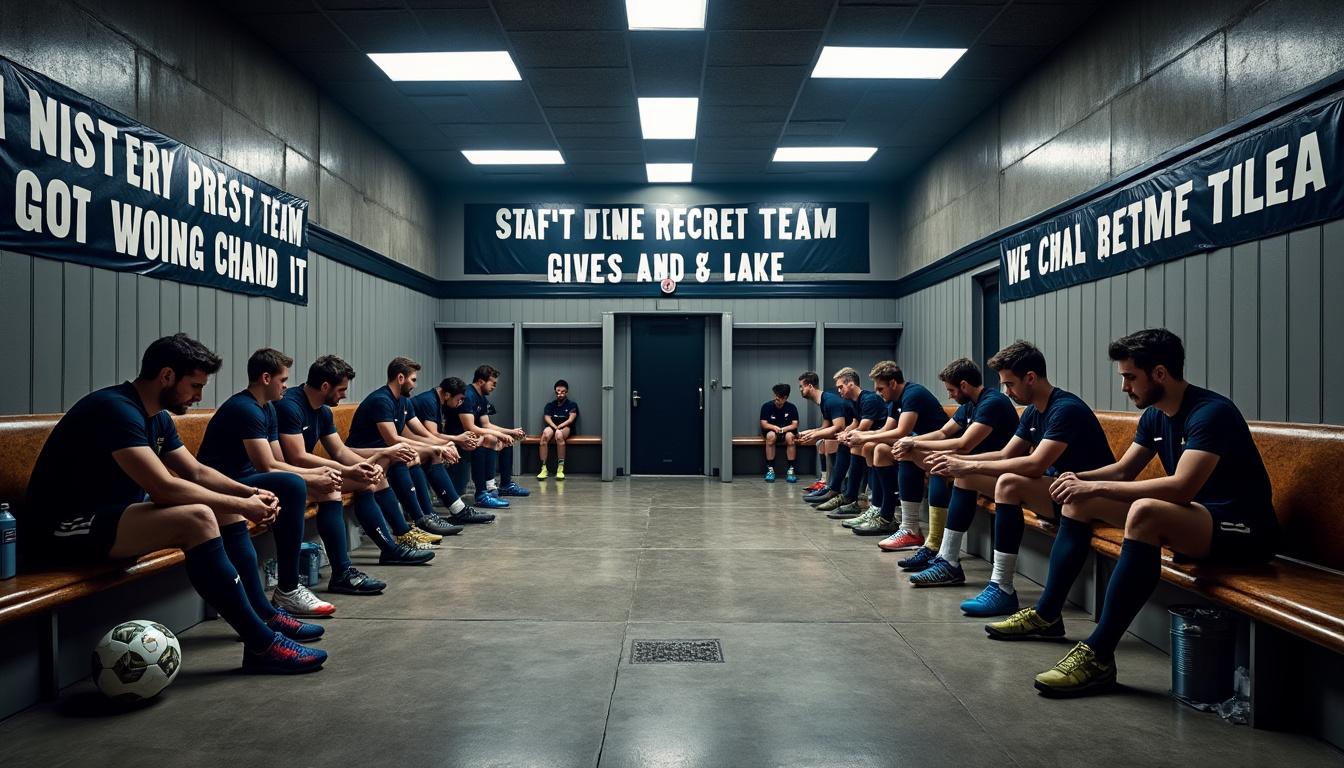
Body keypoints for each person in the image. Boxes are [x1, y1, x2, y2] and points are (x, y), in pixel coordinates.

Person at [986, 329, 1279, 697]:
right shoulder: (1156, 416)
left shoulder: (1211, 413)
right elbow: (1124, 470)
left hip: (1243, 528)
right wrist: (1077, 479)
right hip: (1196, 518)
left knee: (1144, 512)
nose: (1124, 387)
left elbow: (1181, 488)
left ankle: (1099, 653)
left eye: (1129, 377)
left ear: (1159, 374)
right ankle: (1047, 615)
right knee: (1078, 500)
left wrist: (1094, 486)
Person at [22, 334, 325, 673]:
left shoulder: (158, 416)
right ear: (166, 376)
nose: (199, 396)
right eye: (194, 385)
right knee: (196, 518)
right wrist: (244, 503)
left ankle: (263, 615)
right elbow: (164, 488)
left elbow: (194, 470)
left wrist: (245, 495)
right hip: (61, 529)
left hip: (110, 519)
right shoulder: (115, 410)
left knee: (221, 509)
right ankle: (261, 644)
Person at [914, 340, 1114, 620]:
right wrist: (961, 465)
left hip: (1090, 498)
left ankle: (1002, 587)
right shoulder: (1033, 411)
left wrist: (964, 462)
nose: (1007, 392)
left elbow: (1034, 464)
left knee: (1009, 483)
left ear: (1030, 378)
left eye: (1010, 384)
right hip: (1058, 490)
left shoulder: (1065, 408)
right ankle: (948, 560)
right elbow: (1006, 453)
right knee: (966, 477)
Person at [196, 348, 337, 618]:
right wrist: (311, 477)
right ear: (265, 378)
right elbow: (267, 466)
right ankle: (287, 588)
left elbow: (276, 462)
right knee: (294, 485)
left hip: (246, 479)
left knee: (293, 484)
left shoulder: (268, 408)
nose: (286, 386)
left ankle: (285, 589)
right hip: (224, 483)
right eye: (282, 380)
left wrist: (315, 475)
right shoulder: (244, 408)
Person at [274, 354, 434, 587]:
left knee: (370, 479)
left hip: (306, 473)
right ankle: (341, 572)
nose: (344, 395)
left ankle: (391, 548)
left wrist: (361, 467)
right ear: (325, 386)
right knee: (331, 488)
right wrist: (348, 471)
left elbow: (339, 450)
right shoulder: (291, 406)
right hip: (292, 476)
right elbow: (297, 457)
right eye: (341, 390)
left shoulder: (324, 411)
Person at [890, 358, 1018, 571]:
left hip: (999, 468)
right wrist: (912, 443)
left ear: (964, 385)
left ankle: (938, 548)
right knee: (922, 457)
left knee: (946, 467)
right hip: (978, 463)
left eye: (951, 390)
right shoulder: (969, 405)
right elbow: (943, 433)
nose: (949, 395)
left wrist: (913, 440)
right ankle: (927, 540)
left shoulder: (992, 402)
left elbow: (964, 444)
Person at [345, 357, 463, 545]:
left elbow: (421, 432)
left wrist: (444, 444)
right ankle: (419, 521)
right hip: (359, 453)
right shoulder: (381, 400)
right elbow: (392, 439)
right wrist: (436, 446)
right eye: (413, 380)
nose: (415, 385)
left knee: (413, 456)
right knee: (400, 457)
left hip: (384, 452)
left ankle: (426, 517)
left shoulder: (404, 402)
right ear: (401, 378)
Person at [842, 363, 947, 542]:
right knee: (879, 449)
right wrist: (862, 435)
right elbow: (886, 430)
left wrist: (865, 437)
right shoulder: (893, 400)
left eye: (880, 388)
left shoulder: (913, 394)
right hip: (917, 444)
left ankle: (910, 527)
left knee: (899, 450)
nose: (878, 392)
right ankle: (883, 513)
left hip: (937, 445)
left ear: (892, 383)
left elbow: (902, 432)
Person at [406, 378, 496, 524]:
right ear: (447, 395)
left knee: (436, 452)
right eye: (459, 399)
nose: (460, 403)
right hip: (406, 446)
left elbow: (426, 435)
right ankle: (435, 515)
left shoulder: (436, 400)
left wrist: (449, 442)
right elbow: (431, 434)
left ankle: (456, 509)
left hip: (413, 443)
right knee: (434, 454)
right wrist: (454, 440)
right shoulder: (429, 401)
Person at [815, 367, 888, 515]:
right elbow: (855, 423)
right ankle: (838, 490)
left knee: (854, 445)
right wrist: (845, 433)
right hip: (869, 438)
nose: (839, 391)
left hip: (880, 437)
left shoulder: (869, 399)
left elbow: (864, 426)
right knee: (845, 443)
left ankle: (850, 496)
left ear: (851, 384)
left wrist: (847, 435)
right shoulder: (853, 401)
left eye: (841, 387)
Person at [458, 365, 529, 507]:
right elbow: (469, 427)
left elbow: (486, 425)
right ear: (480, 381)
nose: (495, 387)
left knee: (505, 440)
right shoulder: (468, 395)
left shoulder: (482, 398)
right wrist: (499, 435)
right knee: (491, 438)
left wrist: (510, 432)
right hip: (459, 435)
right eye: (493, 383)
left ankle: (505, 485)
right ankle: (484, 493)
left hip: (475, 434)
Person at [796, 371, 850, 499]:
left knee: (826, 441)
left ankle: (833, 487)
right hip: (842, 434)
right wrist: (808, 432)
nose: (800, 390)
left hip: (850, 435)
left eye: (801, 386)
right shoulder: (823, 402)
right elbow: (825, 426)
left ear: (810, 386)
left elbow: (839, 427)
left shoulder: (830, 400)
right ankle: (826, 483)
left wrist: (815, 435)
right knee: (821, 441)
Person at [537, 379, 579, 481]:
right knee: (545, 435)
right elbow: (547, 417)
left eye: (563, 391)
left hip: (565, 427)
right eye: (558, 391)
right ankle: (543, 468)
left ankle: (560, 469)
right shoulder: (550, 405)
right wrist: (555, 427)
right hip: (553, 427)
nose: (560, 394)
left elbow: (571, 419)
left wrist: (559, 427)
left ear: (566, 392)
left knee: (559, 435)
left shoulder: (572, 405)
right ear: (555, 392)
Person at [759, 383, 799, 483]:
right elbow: (764, 424)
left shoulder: (791, 407)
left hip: (786, 432)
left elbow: (795, 424)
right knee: (771, 436)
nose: (776, 398)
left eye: (779, 397)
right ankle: (770, 469)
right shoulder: (767, 406)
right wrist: (774, 427)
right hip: (771, 432)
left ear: (785, 397)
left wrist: (783, 429)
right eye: (775, 395)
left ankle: (791, 469)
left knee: (790, 437)